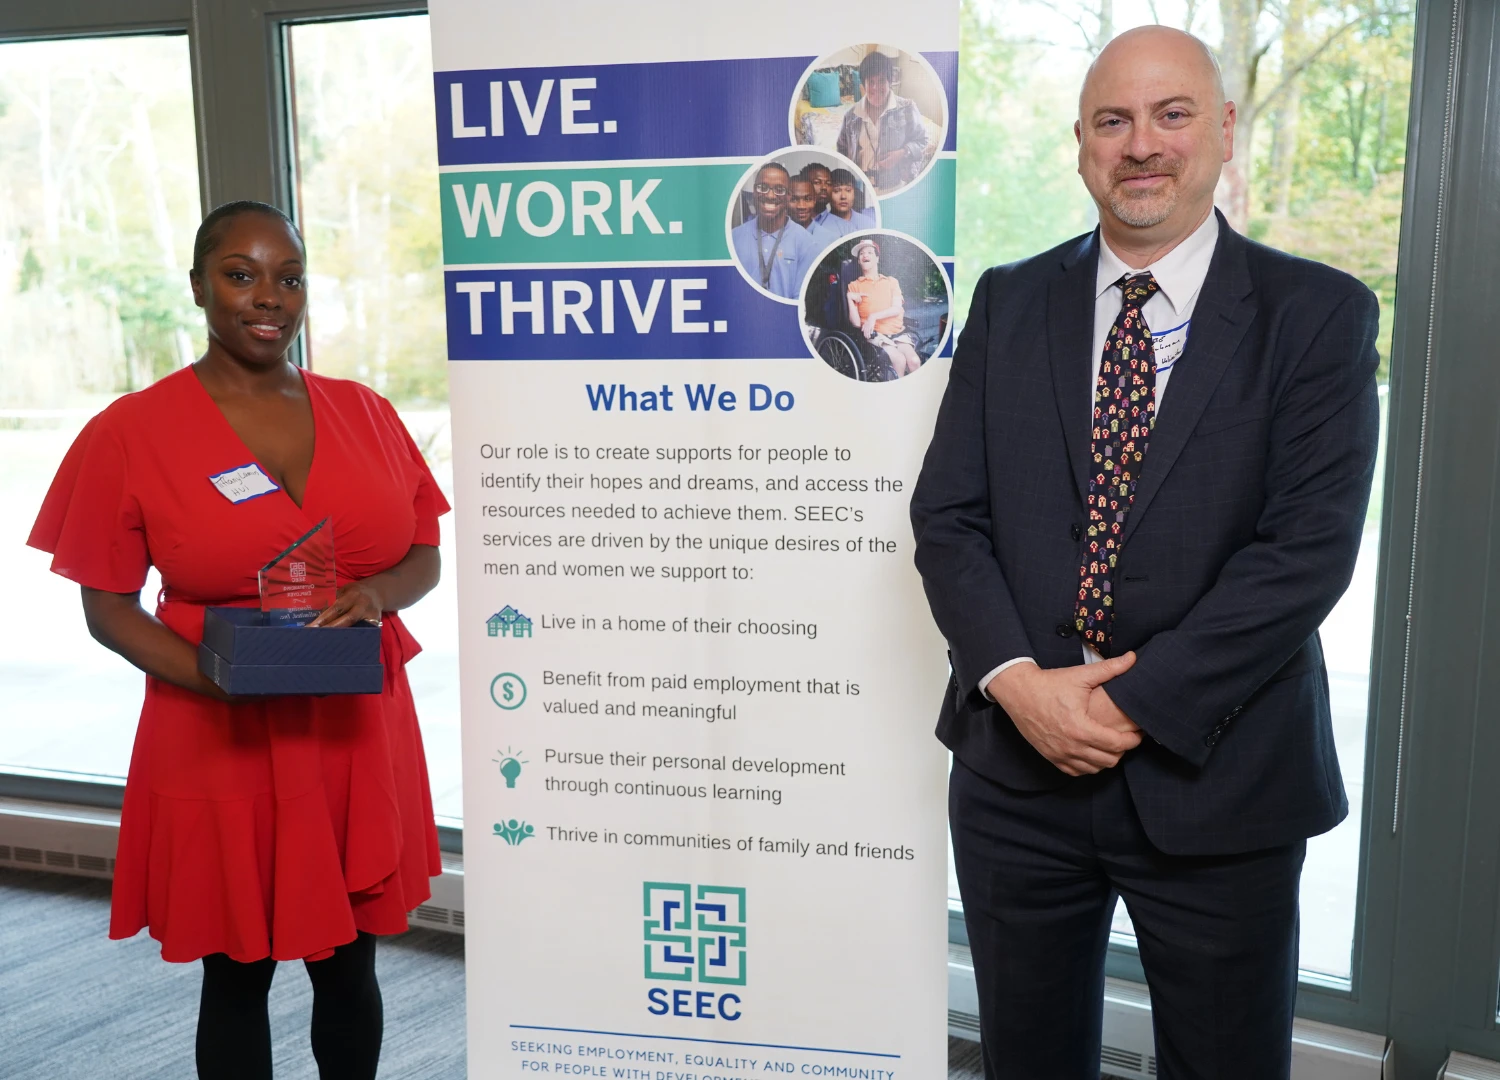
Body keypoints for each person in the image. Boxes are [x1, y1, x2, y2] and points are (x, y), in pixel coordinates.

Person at [909, 26, 1379, 1080]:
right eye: (1113, 120)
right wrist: (1020, 686)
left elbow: (1304, 553)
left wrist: (1122, 707)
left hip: (1222, 780)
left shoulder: (1316, 314)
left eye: (1172, 115)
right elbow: (949, 517)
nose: (1142, 145)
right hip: (1016, 778)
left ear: (1223, 130)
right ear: (1081, 144)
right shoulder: (1009, 300)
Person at [27, 200, 449, 1080]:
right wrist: (217, 676)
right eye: (240, 274)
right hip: (216, 727)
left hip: (351, 730)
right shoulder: (130, 432)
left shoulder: (366, 411)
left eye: (288, 278)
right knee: (236, 973)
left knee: (352, 965)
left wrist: (377, 594)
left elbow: (422, 555)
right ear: (198, 287)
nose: (269, 297)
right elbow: (109, 610)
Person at [836, 50, 929, 193]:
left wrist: (903, 152)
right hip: (861, 188)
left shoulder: (907, 108)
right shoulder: (851, 116)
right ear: (863, 84)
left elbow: (923, 141)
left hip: (895, 185)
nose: (875, 87)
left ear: (890, 81)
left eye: (881, 81)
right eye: (871, 82)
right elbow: (842, 149)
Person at [730, 162, 819, 300]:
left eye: (779, 189)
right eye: (763, 187)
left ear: (789, 196)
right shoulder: (734, 238)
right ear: (754, 191)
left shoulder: (807, 243)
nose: (770, 195)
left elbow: (800, 300)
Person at [846, 238, 921, 377]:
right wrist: (850, 298)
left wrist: (873, 316)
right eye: (861, 253)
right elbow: (856, 323)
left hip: (898, 332)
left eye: (869, 252)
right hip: (875, 334)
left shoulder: (891, 282)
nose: (865, 255)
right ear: (859, 261)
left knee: (914, 361)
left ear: (877, 259)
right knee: (899, 360)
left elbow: (897, 309)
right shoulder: (854, 286)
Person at [809, 167, 875, 245]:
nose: (843, 196)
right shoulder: (819, 226)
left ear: (854, 193)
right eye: (837, 191)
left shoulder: (868, 223)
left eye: (848, 190)